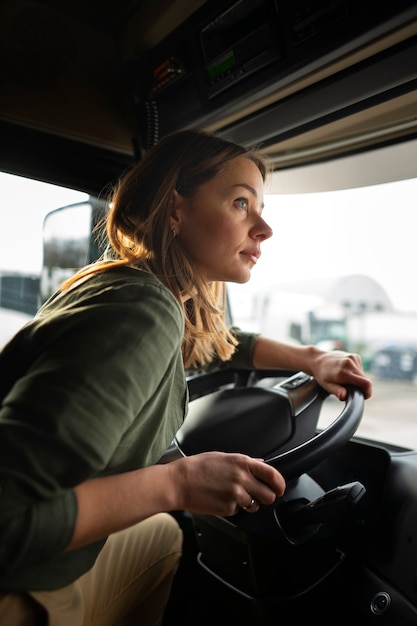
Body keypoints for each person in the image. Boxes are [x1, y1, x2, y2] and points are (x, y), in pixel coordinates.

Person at [0, 128, 372, 626]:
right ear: (175, 209)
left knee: (162, 536)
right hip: (19, 583)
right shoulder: (143, 311)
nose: (264, 228)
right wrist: (176, 483)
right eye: (241, 203)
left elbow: (221, 344)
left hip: (44, 561)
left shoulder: (132, 288)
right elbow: (9, 517)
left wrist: (311, 358)